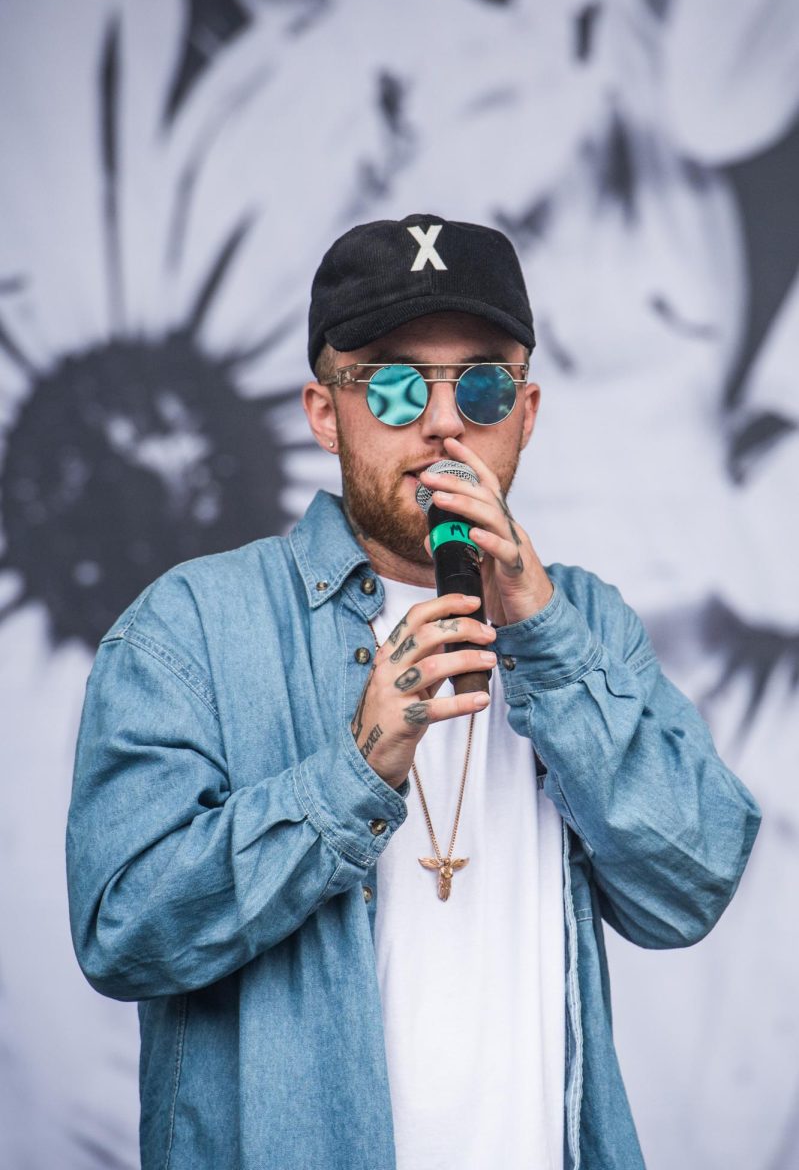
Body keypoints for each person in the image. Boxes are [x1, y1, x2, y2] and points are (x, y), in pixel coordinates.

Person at [66, 214, 761, 1170]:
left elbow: (690, 886)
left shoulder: (585, 621)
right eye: (392, 385)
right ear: (323, 412)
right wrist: (353, 773)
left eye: (480, 383)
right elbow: (123, 934)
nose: (442, 421)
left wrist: (545, 638)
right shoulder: (189, 625)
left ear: (525, 410)